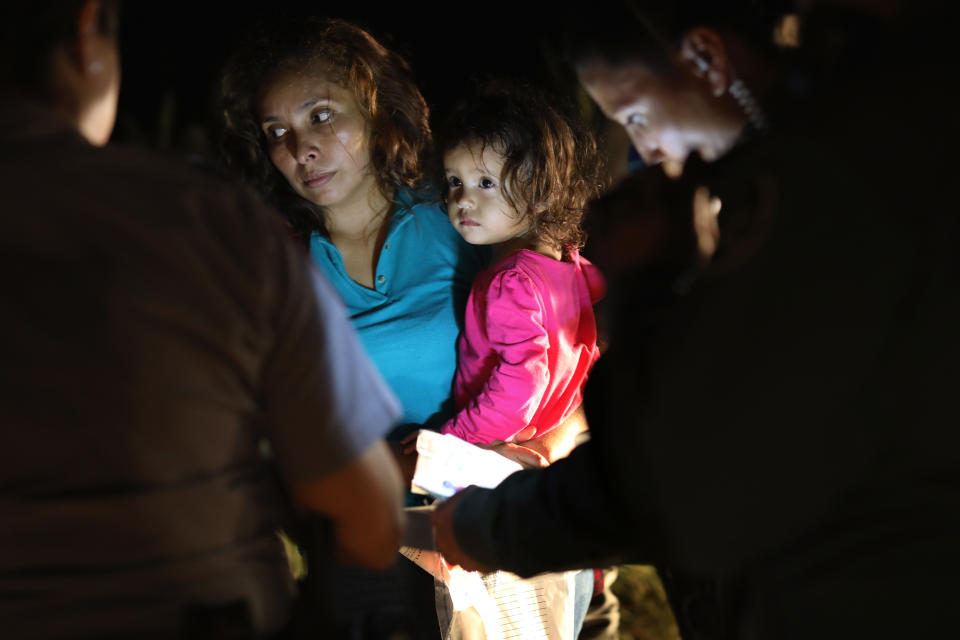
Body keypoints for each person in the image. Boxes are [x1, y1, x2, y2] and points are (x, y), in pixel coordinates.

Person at [431, 1, 960, 639]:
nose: (649, 149)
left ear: (707, 59)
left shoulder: (818, 193)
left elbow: (683, 473)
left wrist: (484, 529)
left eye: (636, 115)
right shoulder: (877, 133)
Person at [0, 2, 406, 637]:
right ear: (86, 36)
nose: (299, 149)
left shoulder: (443, 229)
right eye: (276, 131)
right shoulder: (209, 226)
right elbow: (370, 518)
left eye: (320, 116)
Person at [430, 85, 605, 454]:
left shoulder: (511, 282)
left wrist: (452, 440)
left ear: (540, 191)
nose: (463, 199)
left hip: (500, 445)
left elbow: (521, 382)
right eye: (455, 181)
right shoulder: (567, 260)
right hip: (560, 431)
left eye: (486, 183)